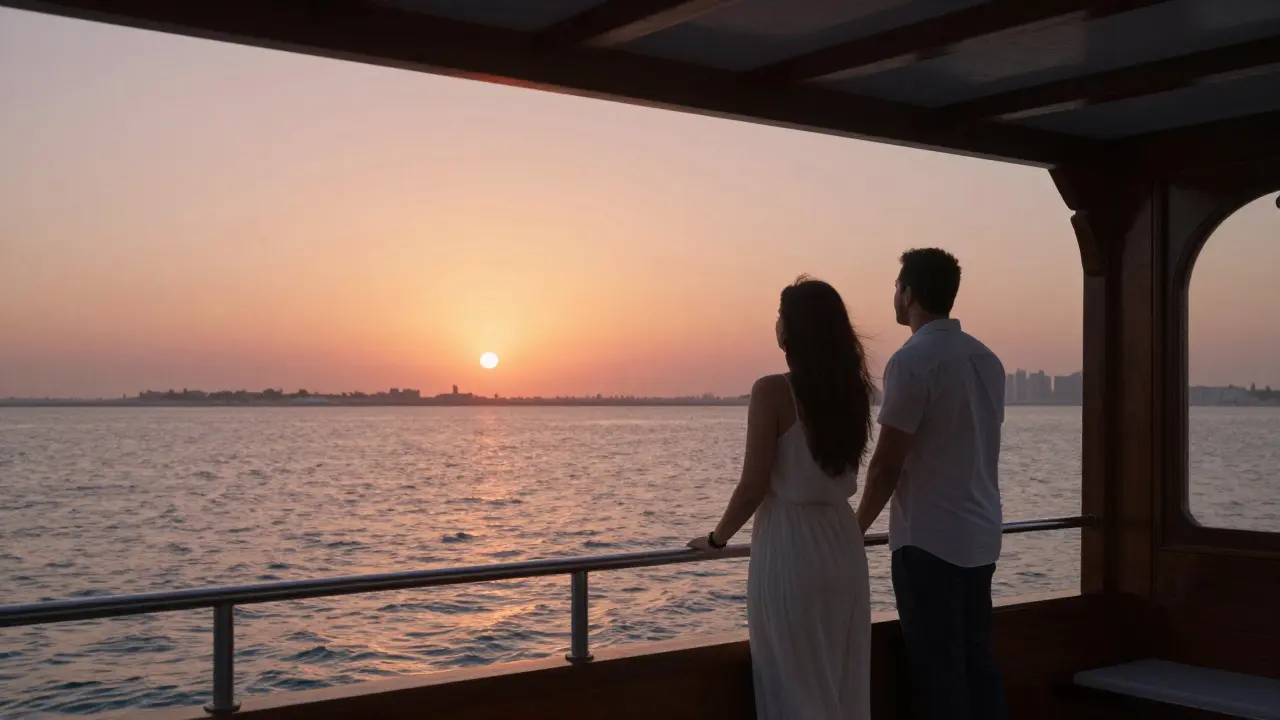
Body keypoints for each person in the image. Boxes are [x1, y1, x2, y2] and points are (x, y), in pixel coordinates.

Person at [688, 276, 876, 720]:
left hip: (792, 548)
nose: (775, 323)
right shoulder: (854, 391)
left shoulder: (772, 390)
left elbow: (753, 484)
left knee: (794, 680)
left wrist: (716, 539)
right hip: (842, 545)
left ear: (792, 329)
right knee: (842, 679)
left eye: (780, 315)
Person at [854, 248, 1007, 720]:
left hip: (929, 543)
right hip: (980, 536)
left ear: (909, 293)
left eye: (897, 286)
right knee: (976, 666)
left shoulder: (912, 361)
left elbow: (885, 465)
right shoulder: (988, 360)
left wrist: (852, 529)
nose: (894, 295)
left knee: (939, 677)